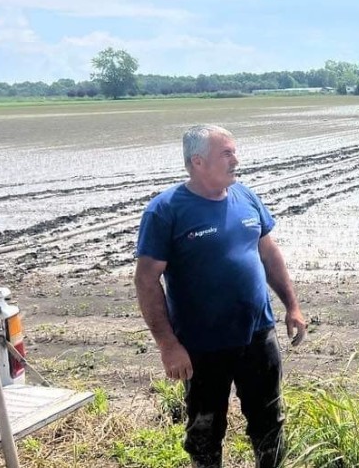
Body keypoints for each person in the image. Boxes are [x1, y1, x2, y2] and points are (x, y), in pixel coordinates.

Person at [134, 124, 306, 468]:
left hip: (257, 335)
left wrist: (292, 306)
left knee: (269, 422)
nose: (236, 160)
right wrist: (169, 345)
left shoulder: (246, 196)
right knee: (205, 431)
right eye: (226, 153)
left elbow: (269, 254)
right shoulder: (166, 210)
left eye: (234, 151)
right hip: (201, 346)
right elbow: (146, 280)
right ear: (198, 162)